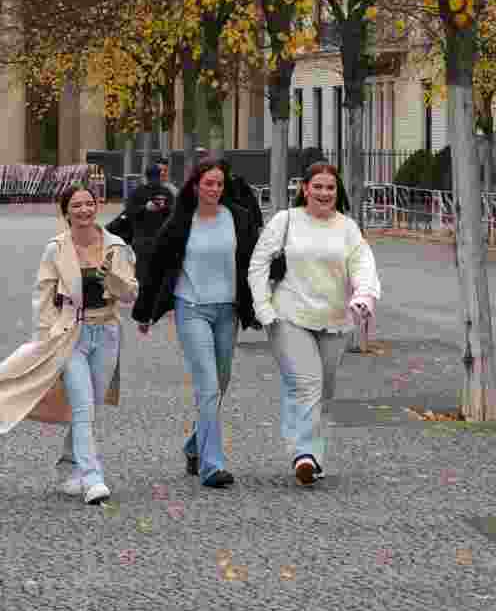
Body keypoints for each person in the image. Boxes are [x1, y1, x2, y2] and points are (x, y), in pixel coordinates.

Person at [0, 184, 138, 505]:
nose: (85, 210)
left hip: (107, 332)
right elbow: (42, 296)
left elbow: (129, 293)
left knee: (92, 405)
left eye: (89, 204)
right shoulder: (56, 249)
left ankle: (68, 464)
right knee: (83, 405)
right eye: (77, 205)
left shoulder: (116, 247)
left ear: (97, 207)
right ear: (66, 212)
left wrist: (110, 279)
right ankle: (92, 478)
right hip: (70, 335)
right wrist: (47, 336)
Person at [247, 161, 381, 487]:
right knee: (307, 383)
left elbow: (363, 264)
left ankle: (312, 457)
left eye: (330, 187)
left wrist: (364, 296)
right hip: (289, 316)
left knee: (322, 389)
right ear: (305, 189)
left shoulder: (347, 228)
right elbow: (259, 263)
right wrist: (263, 307)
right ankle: (303, 454)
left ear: (337, 192)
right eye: (317, 186)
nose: (324, 192)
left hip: (335, 320)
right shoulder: (286, 220)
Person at [132, 156, 262, 488]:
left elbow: (253, 261)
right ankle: (211, 465)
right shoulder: (180, 222)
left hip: (227, 311)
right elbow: (157, 267)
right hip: (192, 310)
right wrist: (145, 312)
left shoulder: (237, 217)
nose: (214, 190)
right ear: (195, 185)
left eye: (219, 184)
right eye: (208, 183)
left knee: (220, 384)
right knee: (206, 386)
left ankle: (194, 445)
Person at [112, 163, 176, 276]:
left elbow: (129, 212)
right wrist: (147, 208)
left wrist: (148, 208)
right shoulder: (166, 192)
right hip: (158, 240)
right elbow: (174, 214)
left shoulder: (137, 192)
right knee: (158, 276)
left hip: (142, 242)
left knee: (142, 275)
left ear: (145, 176)